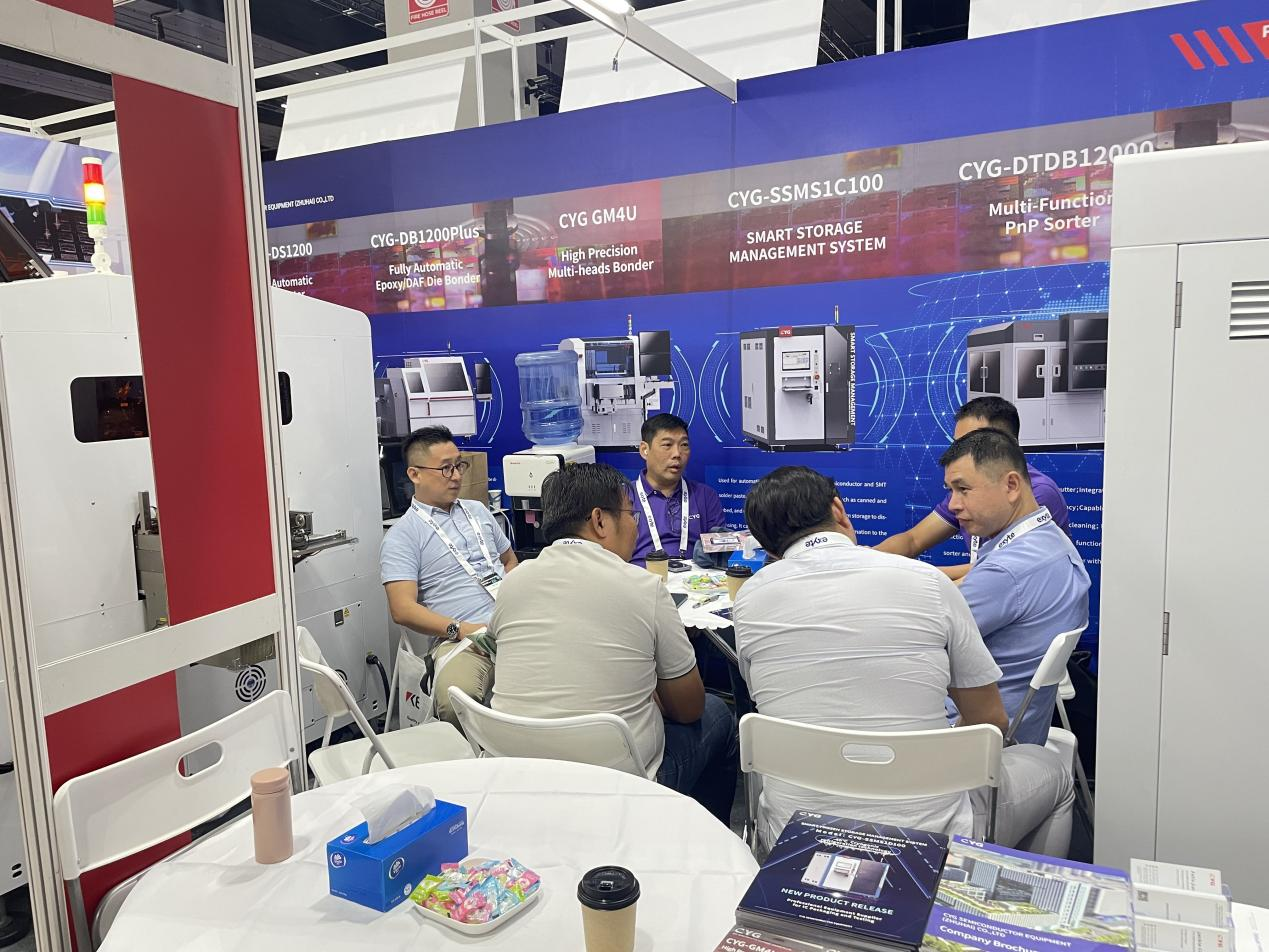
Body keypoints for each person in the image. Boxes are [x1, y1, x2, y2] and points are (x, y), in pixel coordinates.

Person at [734, 465, 1073, 855]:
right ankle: (1009, 891)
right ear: (838, 510)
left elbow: (765, 698)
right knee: (1053, 770)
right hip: (932, 837)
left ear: (770, 549)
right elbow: (991, 721)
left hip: (793, 835)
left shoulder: (748, 600)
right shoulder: (928, 583)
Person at [489, 462, 738, 823]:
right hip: (618, 785)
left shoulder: (512, 583)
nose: (636, 525)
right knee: (718, 714)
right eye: (631, 514)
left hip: (517, 774)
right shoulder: (644, 588)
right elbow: (689, 710)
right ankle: (700, 835)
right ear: (600, 521)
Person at [941, 428, 1090, 747]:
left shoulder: (1006, 572)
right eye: (951, 491)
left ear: (1011, 486)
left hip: (965, 740)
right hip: (1015, 735)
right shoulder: (1052, 541)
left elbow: (921, 641)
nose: (953, 504)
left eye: (963, 489)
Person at [379, 426, 518, 728]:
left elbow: (509, 561)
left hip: (514, 621)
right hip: (463, 637)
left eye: (459, 465)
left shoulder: (478, 511)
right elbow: (402, 609)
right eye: (445, 468)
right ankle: (475, 756)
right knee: (455, 697)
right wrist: (462, 629)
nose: (456, 476)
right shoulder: (403, 536)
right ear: (414, 474)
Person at [875, 397, 1069, 580]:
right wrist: (864, 559)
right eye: (958, 444)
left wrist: (910, 574)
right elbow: (913, 540)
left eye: (974, 442)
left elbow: (1002, 572)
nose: (959, 452)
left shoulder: (1037, 493)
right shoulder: (964, 491)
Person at [628, 413, 725, 565]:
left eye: (684, 445)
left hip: (694, 576)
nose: (677, 454)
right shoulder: (624, 497)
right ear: (644, 450)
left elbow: (720, 553)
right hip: (641, 575)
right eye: (667, 445)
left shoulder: (705, 496)